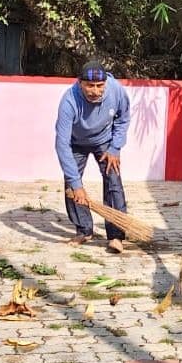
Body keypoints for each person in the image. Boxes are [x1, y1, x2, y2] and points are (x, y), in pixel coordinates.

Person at [55, 60, 132, 253]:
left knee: (114, 182)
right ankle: (84, 230)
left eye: (99, 86)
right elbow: (61, 143)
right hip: (76, 142)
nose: (95, 91)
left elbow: (123, 118)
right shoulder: (69, 101)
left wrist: (115, 148)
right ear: (80, 83)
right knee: (72, 186)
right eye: (90, 86)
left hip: (105, 141)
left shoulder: (116, 90)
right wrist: (76, 184)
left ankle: (116, 235)